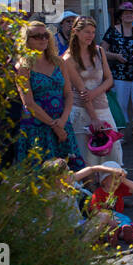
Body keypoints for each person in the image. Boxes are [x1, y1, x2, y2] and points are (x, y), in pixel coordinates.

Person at [15, 20, 82, 166]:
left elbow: (69, 94)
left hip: (62, 123)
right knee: (41, 177)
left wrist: (62, 122)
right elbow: (29, 103)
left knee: (72, 173)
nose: (43, 39)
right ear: (26, 41)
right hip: (37, 128)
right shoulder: (23, 67)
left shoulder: (59, 62)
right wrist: (54, 125)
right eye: (37, 36)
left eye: (46, 35)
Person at [63, 15, 123, 166]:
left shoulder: (99, 51)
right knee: (88, 157)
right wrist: (94, 118)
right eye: (87, 32)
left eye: (93, 32)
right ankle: (90, 187)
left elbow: (109, 79)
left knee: (112, 153)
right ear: (76, 32)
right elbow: (81, 91)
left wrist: (95, 92)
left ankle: (112, 186)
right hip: (83, 110)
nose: (91, 36)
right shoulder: (68, 58)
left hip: (103, 106)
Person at [103, 3, 133, 143]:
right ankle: (121, 132)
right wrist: (116, 56)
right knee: (120, 103)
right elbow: (102, 51)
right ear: (121, 16)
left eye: (131, 13)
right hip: (119, 74)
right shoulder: (112, 31)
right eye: (125, 13)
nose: (128, 15)